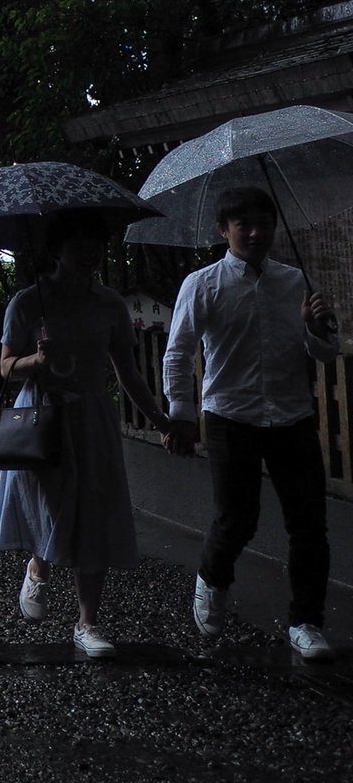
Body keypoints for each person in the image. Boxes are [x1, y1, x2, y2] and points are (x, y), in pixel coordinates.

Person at [162, 185, 339, 662]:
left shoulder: (295, 281)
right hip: (230, 414)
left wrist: (317, 328)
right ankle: (212, 578)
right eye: (245, 225)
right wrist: (180, 413)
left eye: (265, 223)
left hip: (292, 413)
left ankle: (306, 621)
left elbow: (324, 353)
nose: (257, 233)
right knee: (236, 519)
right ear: (224, 231)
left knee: (309, 524)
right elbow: (178, 351)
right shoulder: (203, 284)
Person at [0, 212, 173, 659]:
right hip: (41, 416)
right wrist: (34, 361)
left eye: (96, 245)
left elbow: (126, 372)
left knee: (94, 511)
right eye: (79, 244)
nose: (90, 254)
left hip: (91, 417)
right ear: (57, 249)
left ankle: (87, 623)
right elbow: (4, 366)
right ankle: (38, 563)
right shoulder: (28, 303)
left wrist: (161, 420)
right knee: (50, 506)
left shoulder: (110, 304)